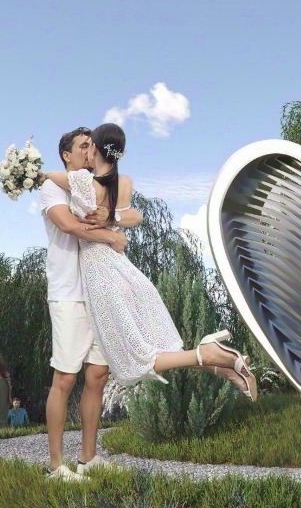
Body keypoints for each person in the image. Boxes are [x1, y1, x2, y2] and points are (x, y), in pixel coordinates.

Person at [40, 122, 259, 402]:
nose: (85, 152)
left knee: (133, 358)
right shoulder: (124, 183)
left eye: (88, 145)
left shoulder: (81, 181)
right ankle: (222, 367)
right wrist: (113, 219)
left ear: (95, 148)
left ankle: (210, 354)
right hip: (122, 268)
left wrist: (34, 174)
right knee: (150, 345)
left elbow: (50, 181)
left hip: (100, 274)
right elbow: (136, 216)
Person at [38, 127, 129, 480]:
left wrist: (114, 221)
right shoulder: (53, 186)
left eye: (92, 145)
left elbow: (125, 213)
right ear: (66, 154)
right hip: (68, 292)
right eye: (83, 145)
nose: (90, 150)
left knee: (98, 374)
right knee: (65, 377)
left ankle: (88, 457)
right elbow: (68, 225)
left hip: (99, 291)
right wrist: (110, 236)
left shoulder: (96, 187)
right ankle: (55, 465)